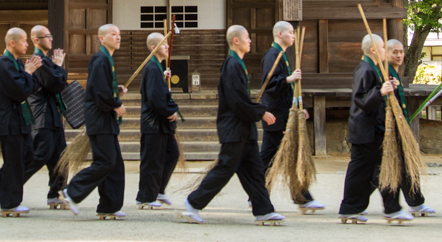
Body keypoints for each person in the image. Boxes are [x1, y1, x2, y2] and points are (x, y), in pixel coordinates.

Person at [181, 25, 285, 225]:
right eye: (247, 37)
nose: (250, 41)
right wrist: (261, 112)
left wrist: (257, 111)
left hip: (244, 130)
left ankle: (263, 210)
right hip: (234, 129)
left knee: (254, 171)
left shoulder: (238, 64)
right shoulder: (232, 65)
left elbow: (241, 100)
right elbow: (237, 101)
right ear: (236, 40)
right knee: (225, 169)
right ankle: (193, 202)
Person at [337, 34, 413, 224]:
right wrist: (381, 91)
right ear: (373, 50)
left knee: (367, 169)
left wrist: (387, 87)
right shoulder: (366, 69)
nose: (384, 51)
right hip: (366, 129)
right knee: (377, 167)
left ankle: (352, 208)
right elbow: (361, 99)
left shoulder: (373, 69)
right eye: (382, 48)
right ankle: (390, 209)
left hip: (370, 128)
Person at [62, 24, 128, 219]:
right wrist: (116, 104)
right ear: (101, 38)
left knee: (115, 164)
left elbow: (103, 87)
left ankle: (109, 206)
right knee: (105, 162)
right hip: (99, 120)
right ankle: (71, 191)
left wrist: (116, 90)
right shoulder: (100, 59)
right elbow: (99, 91)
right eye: (113, 34)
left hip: (105, 120)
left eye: (119, 34)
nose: (118, 37)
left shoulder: (106, 59)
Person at [259, 21, 324, 213]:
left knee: (283, 158)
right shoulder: (272, 55)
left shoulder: (282, 54)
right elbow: (269, 86)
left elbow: (288, 89)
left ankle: (299, 197)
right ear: (280, 34)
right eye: (290, 32)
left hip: (283, 113)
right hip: (276, 115)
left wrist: (299, 108)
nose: (294, 35)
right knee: (271, 159)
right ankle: (262, 195)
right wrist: (288, 79)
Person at [0, 27, 42, 217]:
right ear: (12, 43)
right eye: (24, 41)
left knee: (27, 157)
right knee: (14, 162)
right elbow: (19, 91)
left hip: (21, 119)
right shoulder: (4, 64)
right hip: (9, 121)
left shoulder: (17, 62)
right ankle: (9, 203)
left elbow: (32, 87)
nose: (27, 44)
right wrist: (28, 73)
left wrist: (31, 72)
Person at [384, 39, 434, 216]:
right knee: (376, 170)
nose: (399, 55)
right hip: (387, 128)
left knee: (405, 164)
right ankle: (353, 205)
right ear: (386, 53)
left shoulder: (395, 73)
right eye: (394, 52)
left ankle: (416, 202)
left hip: (399, 126)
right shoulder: (385, 73)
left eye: (401, 52)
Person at [22, 24, 69, 209]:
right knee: (39, 155)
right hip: (42, 116)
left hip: (52, 115)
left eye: (50, 36)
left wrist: (56, 67)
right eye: (47, 36)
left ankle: (56, 193)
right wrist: (58, 66)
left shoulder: (46, 60)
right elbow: (56, 84)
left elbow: (60, 83)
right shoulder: (38, 60)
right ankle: (8, 185)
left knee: (61, 156)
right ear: (36, 40)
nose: (51, 39)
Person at [136, 32, 180, 209]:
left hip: (160, 123)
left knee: (172, 154)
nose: (167, 47)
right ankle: (145, 197)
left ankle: (158, 190)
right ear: (153, 48)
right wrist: (170, 111)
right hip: (153, 122)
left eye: (167, 44)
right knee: (152, 160)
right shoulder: (152, 67)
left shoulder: (156, 68)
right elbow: (154, 97)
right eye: (163, 44)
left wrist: (163, 78)